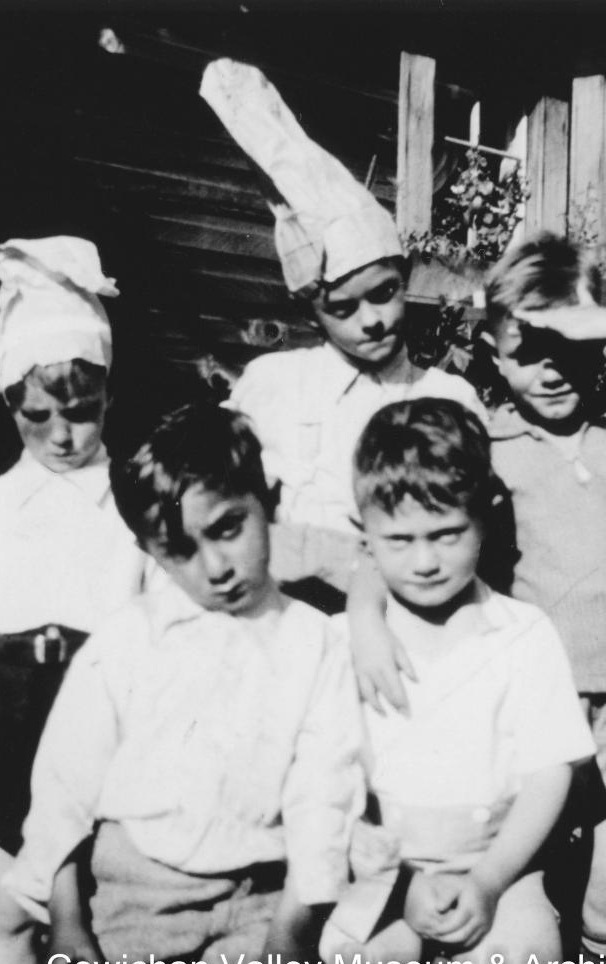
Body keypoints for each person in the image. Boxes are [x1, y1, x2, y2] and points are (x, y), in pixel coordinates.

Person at [349, 234, 606, 964]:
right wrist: (363, 617)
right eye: (530, 352)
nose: (553, 370)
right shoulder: (489, 439)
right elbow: (400, 527)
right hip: (546, 696)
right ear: (493, 351)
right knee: (535, 867)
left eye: (572, 348)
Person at [7, 403, 364, 964]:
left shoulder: (315, 642)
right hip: (135, 896)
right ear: (148, 550)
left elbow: (324, 794)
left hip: (261, 900)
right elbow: (63, 785)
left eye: (228, 528)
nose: (215, 568)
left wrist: (290, 935)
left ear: (267, 500)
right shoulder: (127, 640)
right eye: (179, 549)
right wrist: (67, 923)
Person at [319, 398, 595, 964]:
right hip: (381, 874)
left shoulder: (522, 632)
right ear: (363, 536)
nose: (425, 562)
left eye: (447, 534)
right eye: (399, 540)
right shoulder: (344, 641)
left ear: (485, 518)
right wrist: (399, 884)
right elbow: (324, 778)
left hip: (502, 867)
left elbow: (550, 772)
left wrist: (490, 882)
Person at [200, 59, 485, 598]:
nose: (372, 321)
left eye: (384, 293)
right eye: (343, 308)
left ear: (403, 279)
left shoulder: (447, 396)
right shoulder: (277, 385)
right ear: (313, 314)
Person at [0, 236, 152, 964]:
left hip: (108, 726)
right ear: (9, 402)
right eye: (38, 416)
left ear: (108, 393)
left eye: (80, 412)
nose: (63, 435)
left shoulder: (137, 504)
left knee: (101, 915)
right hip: (7, 726)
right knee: (14, 908)